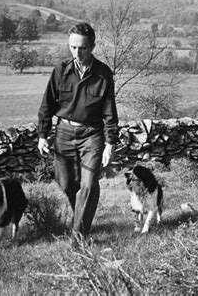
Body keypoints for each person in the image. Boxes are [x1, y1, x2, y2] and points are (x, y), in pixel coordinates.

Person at [37, 22, 118, 242]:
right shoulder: (61, 70)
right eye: (72, 47)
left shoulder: (103, 74)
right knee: (65, 183)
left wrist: (110, 144)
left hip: (92, 135)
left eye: (82, 48)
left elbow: (110, 110)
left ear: (92, 46)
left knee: (89, 185)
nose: (77, 52)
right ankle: (83, 217)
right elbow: (47, 105)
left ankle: (78, 238)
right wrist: (43, 135)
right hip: (63, 132)